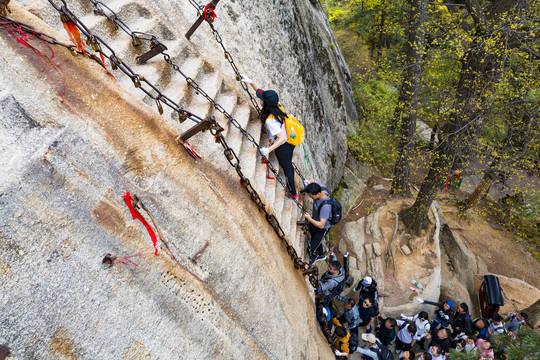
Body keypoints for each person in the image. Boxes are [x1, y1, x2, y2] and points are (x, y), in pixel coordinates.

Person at [241, 75, 297, 199]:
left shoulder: (270, 121)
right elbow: (261, 92)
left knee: (287, 167)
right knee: (288, 164)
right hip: (290, 140)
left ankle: (293, 193)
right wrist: (251, 82)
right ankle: (292, 188)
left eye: (262, 99)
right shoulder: (277, 105)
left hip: (283, 147)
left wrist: (268, 150)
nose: (260, 99)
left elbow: (281, 138)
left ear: (265, 103)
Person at [303, 182, 332, 264]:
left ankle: (314, 258)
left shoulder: (325, 206)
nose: (311, 197)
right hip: (315, 222)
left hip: (322, 228)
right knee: (315, 239)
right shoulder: (321, 188)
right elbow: (313, 181)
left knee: (311, 248)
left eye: (312, 196)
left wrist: (309, 218)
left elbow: (321, 224)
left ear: (318, 194)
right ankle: (321, 254)